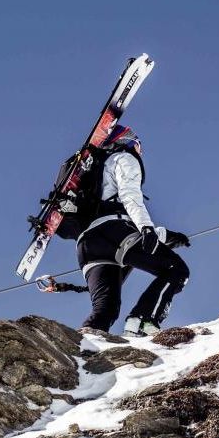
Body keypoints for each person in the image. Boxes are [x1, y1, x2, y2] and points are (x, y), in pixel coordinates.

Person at [75, 125, 191, 337]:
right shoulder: (124, 158)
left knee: (105, 310)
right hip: (114, 231)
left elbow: (133, 237)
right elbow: (129, 197)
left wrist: (167, 236)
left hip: (88, 245)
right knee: (176, 270)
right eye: (138, 144)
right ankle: (143, 320)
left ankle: (80, 352)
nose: (140, 150)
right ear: (127, 142)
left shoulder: (94, 173)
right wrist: (147, 229)